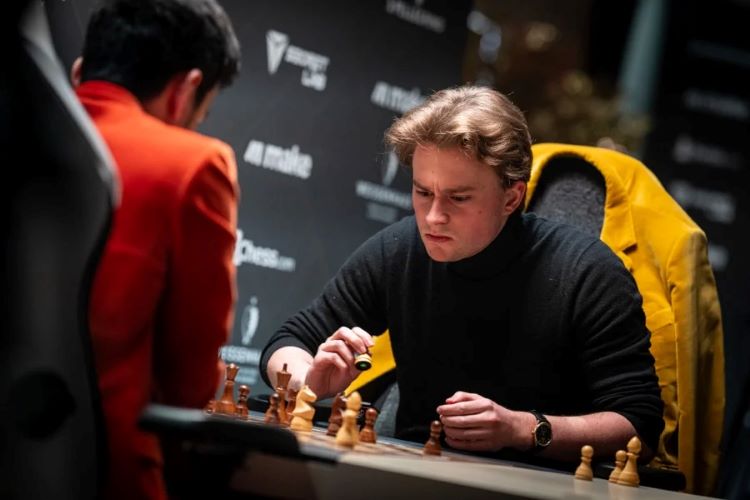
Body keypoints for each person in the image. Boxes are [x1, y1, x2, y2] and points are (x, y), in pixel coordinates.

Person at [261, 86, 664, 466]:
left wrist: (523, 428)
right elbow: (287, 343)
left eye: (458, 198)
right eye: (423, 192)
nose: (433, 217)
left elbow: (640, 425)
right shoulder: (399, 249)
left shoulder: (587, 272)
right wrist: (308, 380)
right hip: (414, 472)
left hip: (538, 484)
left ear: (512, 197)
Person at [71, 1, 241, 499]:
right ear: (186, 89)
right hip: (108, 474)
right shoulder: (192, 165)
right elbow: (189, 384)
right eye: (198, 115)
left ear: (80, 71)